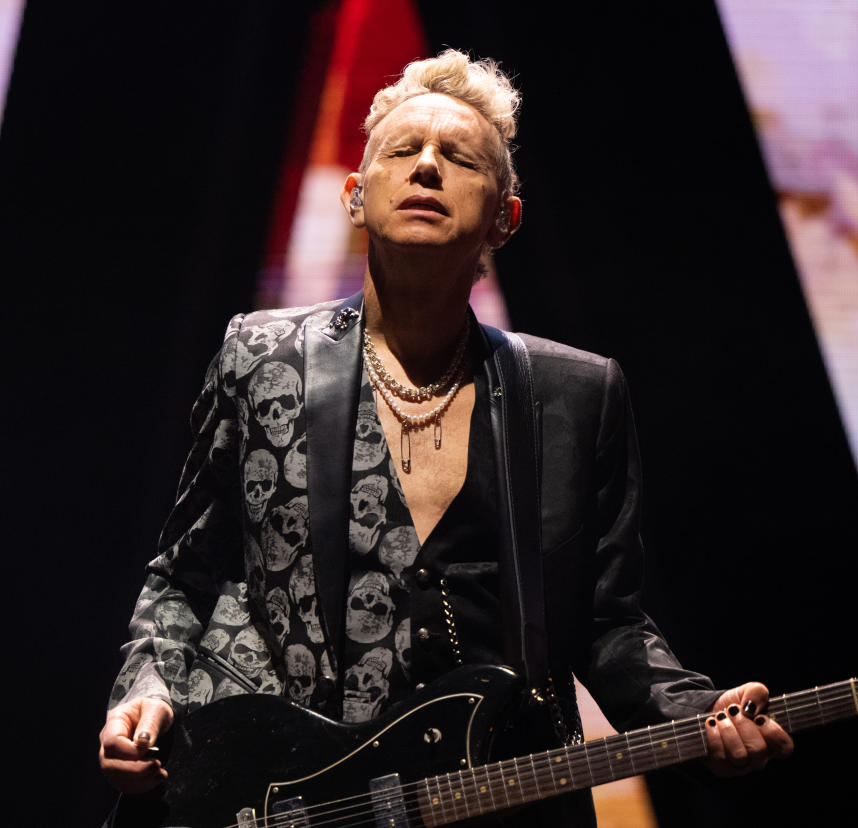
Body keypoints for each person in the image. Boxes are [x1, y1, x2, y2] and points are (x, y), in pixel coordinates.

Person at [99, 49, 793, 825]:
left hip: (497, 799)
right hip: (286, 800)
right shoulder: (262, 358)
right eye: (403, 151)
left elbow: (607, 618)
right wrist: (147, 692)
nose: (427, 167)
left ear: (506, 215)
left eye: (459, 158)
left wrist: (695, 718)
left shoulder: (576, 392)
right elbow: (185, 573)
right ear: (357, 197)